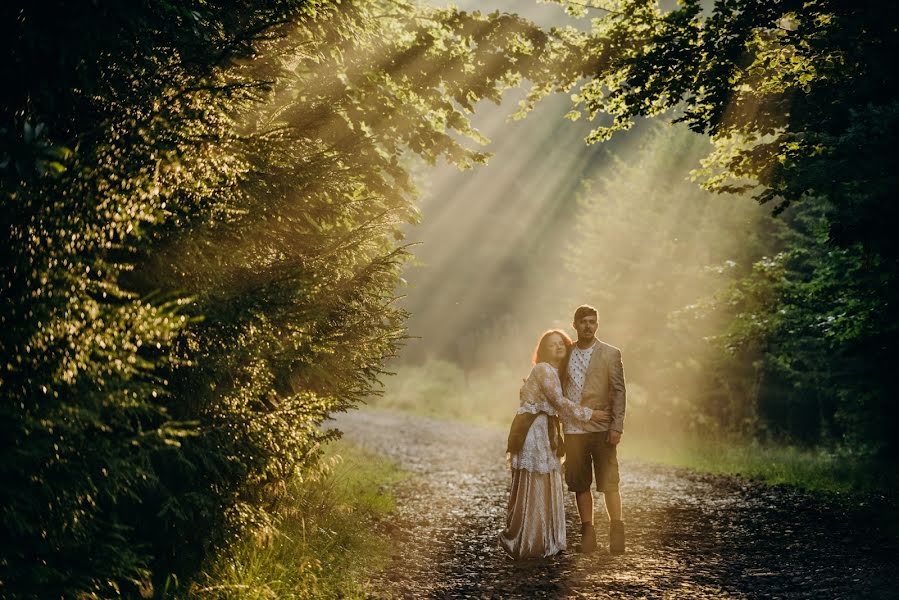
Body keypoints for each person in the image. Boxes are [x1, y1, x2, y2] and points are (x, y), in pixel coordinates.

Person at [499, 329, 608, 559]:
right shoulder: (543, 369)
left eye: (561, 343)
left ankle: (544, 538)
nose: (558, 347)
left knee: (547, 481)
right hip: (534, 431)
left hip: (544, 429)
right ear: (543, 350)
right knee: (537, 481)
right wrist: (590, 414)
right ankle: (531, 540)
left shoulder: (557, 372)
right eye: (552, 344)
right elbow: (559, 402)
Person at [561, 304, 626, 554]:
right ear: (574, 325)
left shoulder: (610, 353)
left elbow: (619, 391)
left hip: (601, 427)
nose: (588, 326)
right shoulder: (565, 354)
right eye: (583, 322)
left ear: (597, 325)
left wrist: (617, 426)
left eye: (592, 322)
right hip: (573, 429)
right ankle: (588, 536)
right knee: (579, 483)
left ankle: (617, 533)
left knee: (609, 482)